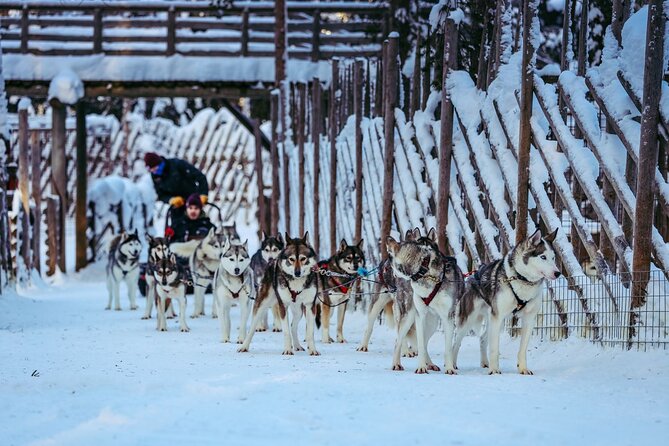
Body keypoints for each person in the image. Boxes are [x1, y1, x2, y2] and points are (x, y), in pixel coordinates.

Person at [144, 152, 209, 210]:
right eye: (151, 170)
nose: (154, 172)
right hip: (177, 207)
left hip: (193, 202)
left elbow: (200, 177)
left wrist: (203, 194)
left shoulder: (176, 164)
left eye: (155, 169)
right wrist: (171, 200)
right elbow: (161, 194)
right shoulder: (155, 176)